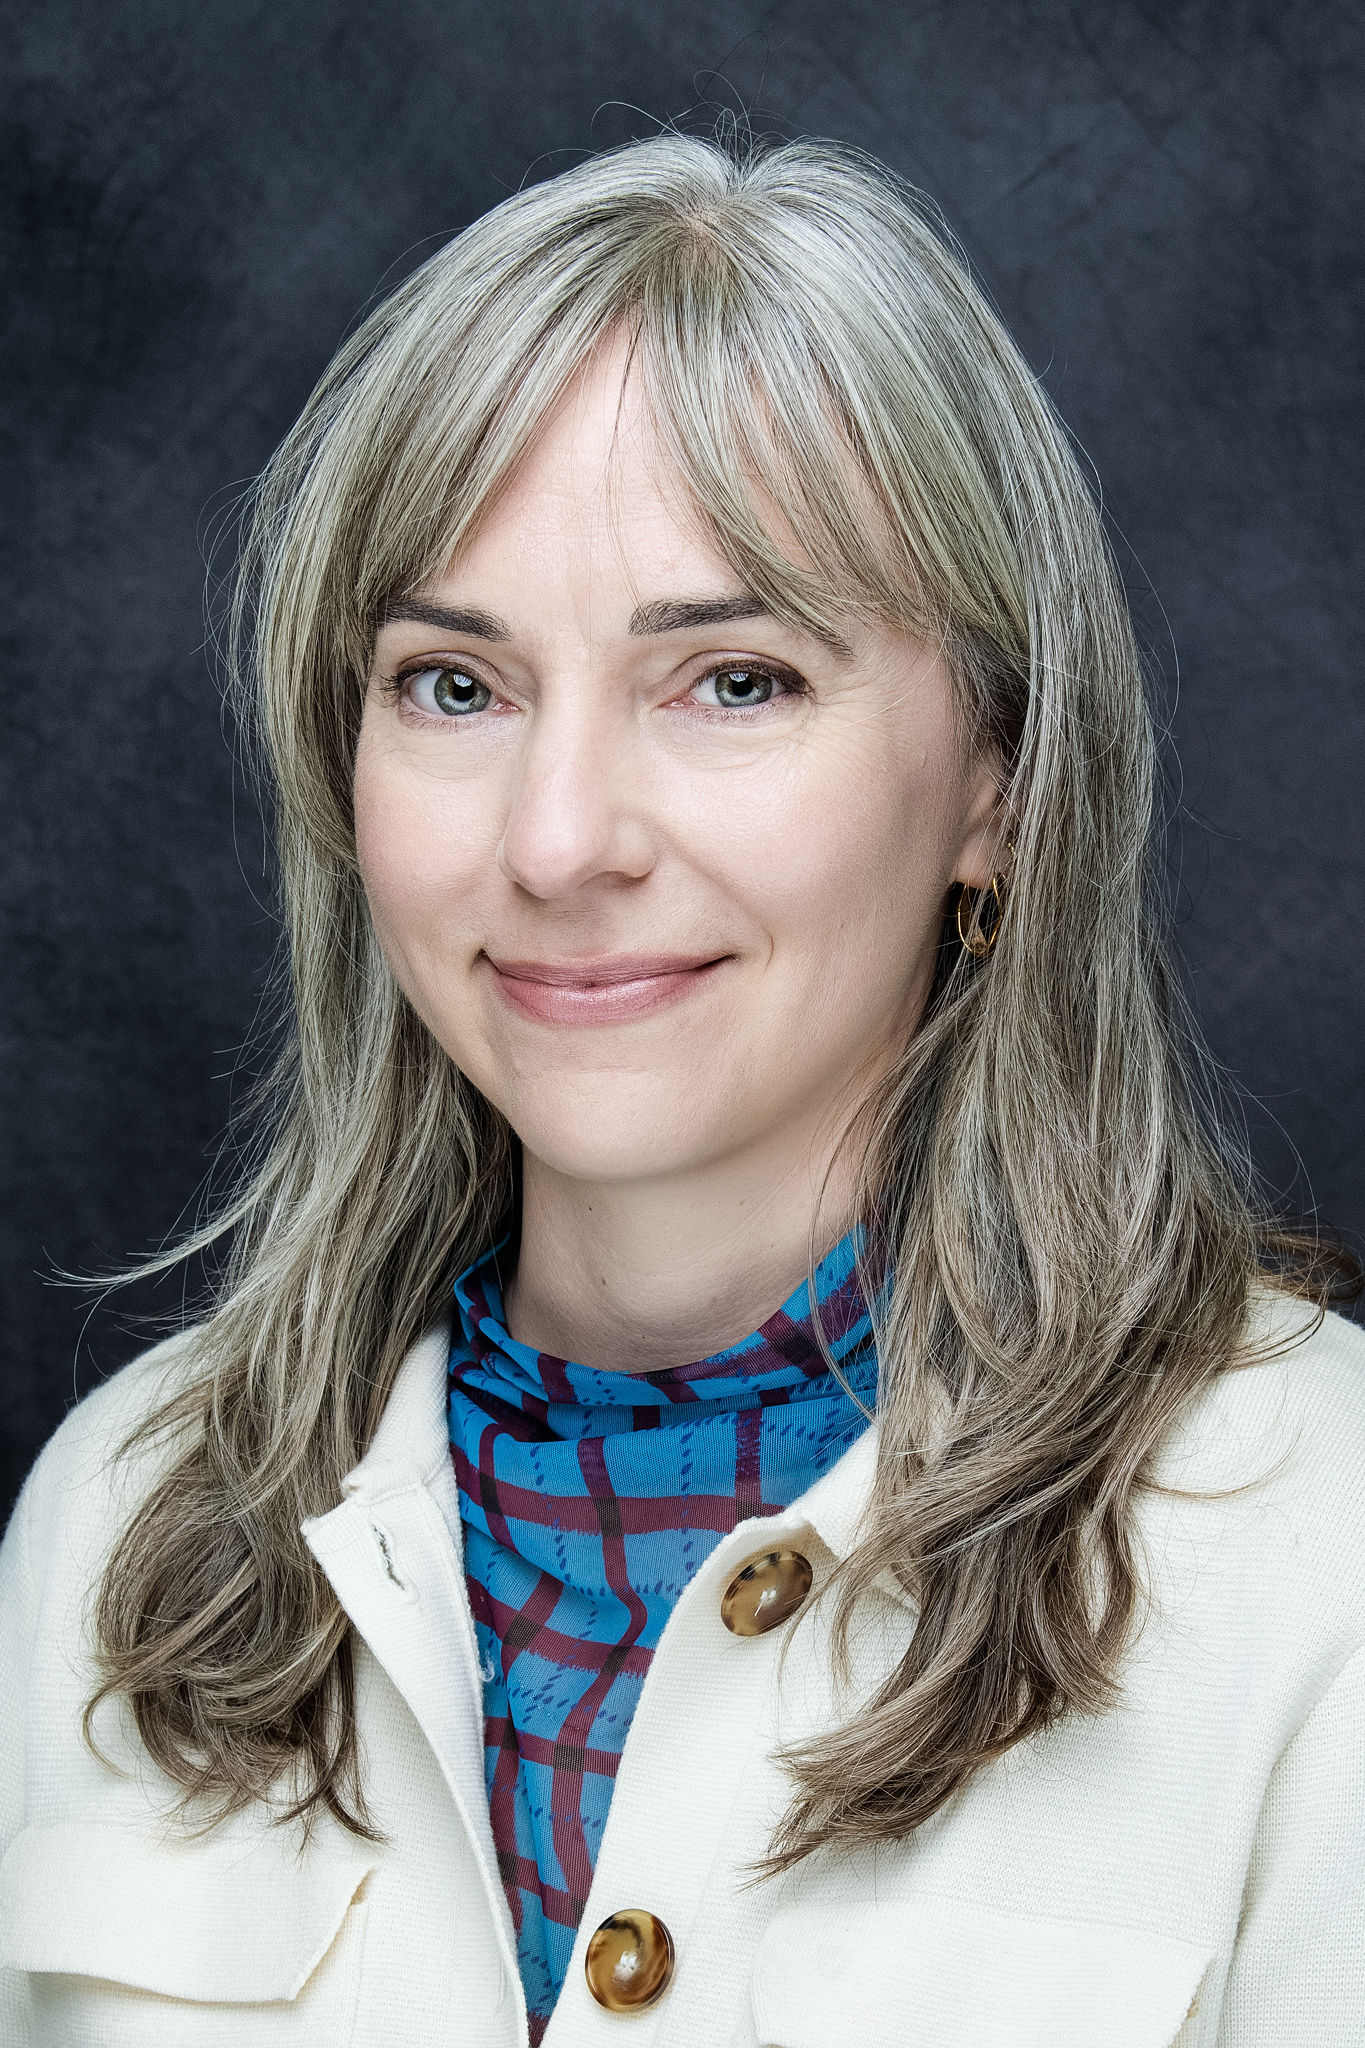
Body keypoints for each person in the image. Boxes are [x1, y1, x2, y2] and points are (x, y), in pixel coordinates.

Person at [1, 130, 1362, 2048]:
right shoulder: (121, 1514)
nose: (556, 843)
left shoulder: (1327, 1555)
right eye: (453, 688)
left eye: (732, 680)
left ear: (999, 778)